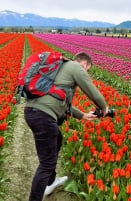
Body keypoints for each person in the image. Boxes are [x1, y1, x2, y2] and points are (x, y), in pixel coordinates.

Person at [24, 52, 108, 201]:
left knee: (57, 139)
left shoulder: (60, 67)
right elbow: (92, 92)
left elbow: (61, 101)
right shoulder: (76, 67)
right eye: (86, 69)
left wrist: (82, 115)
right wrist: (104, 107)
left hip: (32, 112)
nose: (85, 72)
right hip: (44, 117)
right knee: (46, 165)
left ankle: (51, 182)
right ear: (84, 64)